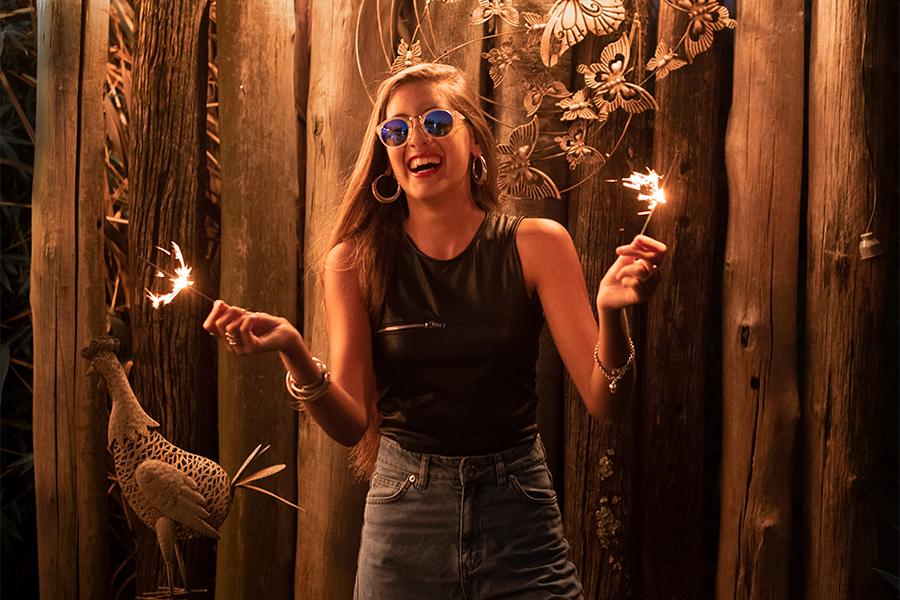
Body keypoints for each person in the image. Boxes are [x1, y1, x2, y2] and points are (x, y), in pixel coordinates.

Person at [203, 62, 666, 599]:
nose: (417, 138)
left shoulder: (539, 244)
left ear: (475, 143)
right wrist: (293, 351)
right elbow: (351, 424)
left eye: (438, 122)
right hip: (404, 518)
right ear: (387, 157)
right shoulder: (354, 261)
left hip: (519, 513)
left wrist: (613, 313)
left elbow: (605, 401)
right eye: (397, 130)